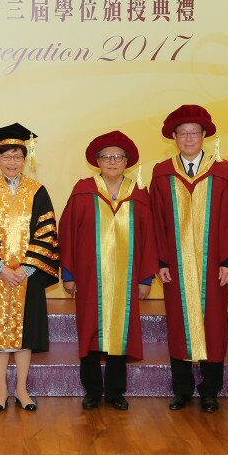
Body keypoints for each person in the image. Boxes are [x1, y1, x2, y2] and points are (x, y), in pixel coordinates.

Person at [149, 105, 228, 413]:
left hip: (213, 266)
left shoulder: (223, 171)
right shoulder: (162, 172)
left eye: (194, 133)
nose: (189, 138)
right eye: (183, 133)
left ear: (204, 135)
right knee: (178, 324)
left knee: (213, 325)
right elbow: (157, 221)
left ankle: (210, 390)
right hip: (175, 266)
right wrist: (161, 263)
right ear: (174, 137)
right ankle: (181, 390)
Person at [59, 131, 158, 411]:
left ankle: (115, 391)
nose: (112, 161)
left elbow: (148, 238)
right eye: (106, 156)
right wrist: (69, 274)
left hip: (126, 280)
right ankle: (92, 390)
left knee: (121, 332)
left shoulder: (138, 193)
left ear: (127, 161)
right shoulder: (82, 191)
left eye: (118, 156)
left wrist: (144, 278)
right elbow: (67, 233)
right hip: (90, 278)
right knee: (89, 330)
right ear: (97, 161)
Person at [0, 123, 59, 412]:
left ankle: (21, 389)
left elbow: (47, 232)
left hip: (27, 276)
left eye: (18, 156)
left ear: (25, 159)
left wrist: (27, 268)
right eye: (6, 157)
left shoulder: (37, 190)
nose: (12, 162)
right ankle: (1, 390)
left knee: (25, 335)